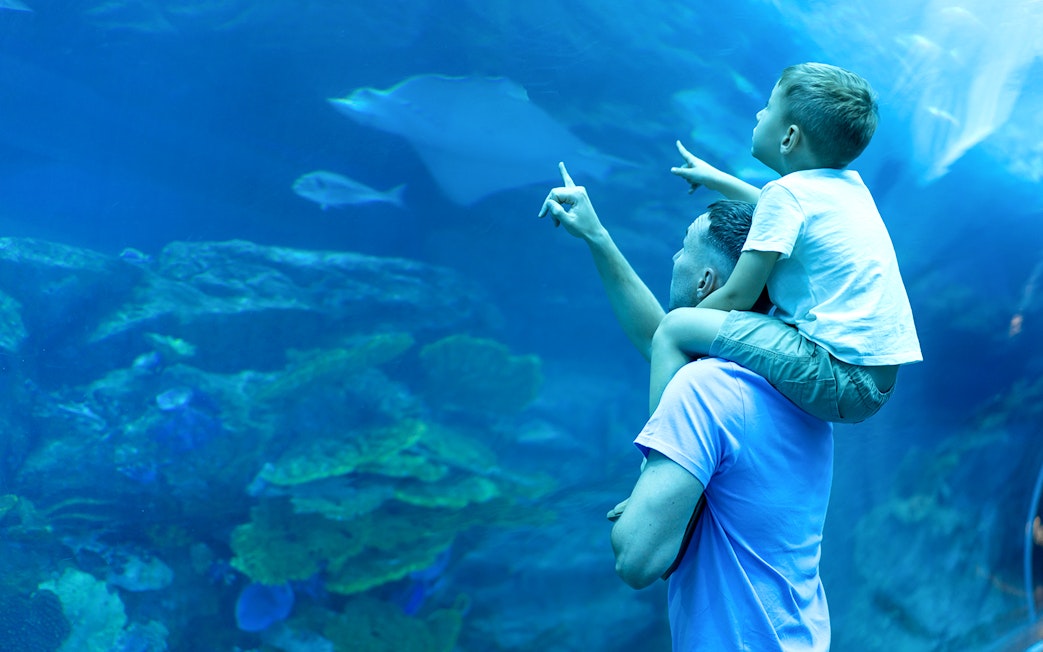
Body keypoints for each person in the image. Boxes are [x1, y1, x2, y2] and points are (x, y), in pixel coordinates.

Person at [539, 163, 833, 651]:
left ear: (705, 283)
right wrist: (597, 237)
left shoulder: (705, 389)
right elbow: (660, 338)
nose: (674, 256)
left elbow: (636, 558)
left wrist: (644, 495)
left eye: (682, 249)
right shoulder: (795, 384)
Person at [650, 62, 922, 423]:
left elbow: (737, 297)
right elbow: (770, 210)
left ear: (789, 137)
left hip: (837, 374)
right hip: (876, 384)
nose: (760, 113)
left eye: (769, 107)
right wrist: (715, 178)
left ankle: (660, 446)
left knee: (673, 329)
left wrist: (690, 324)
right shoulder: (845, 189)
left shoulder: (788, 194)